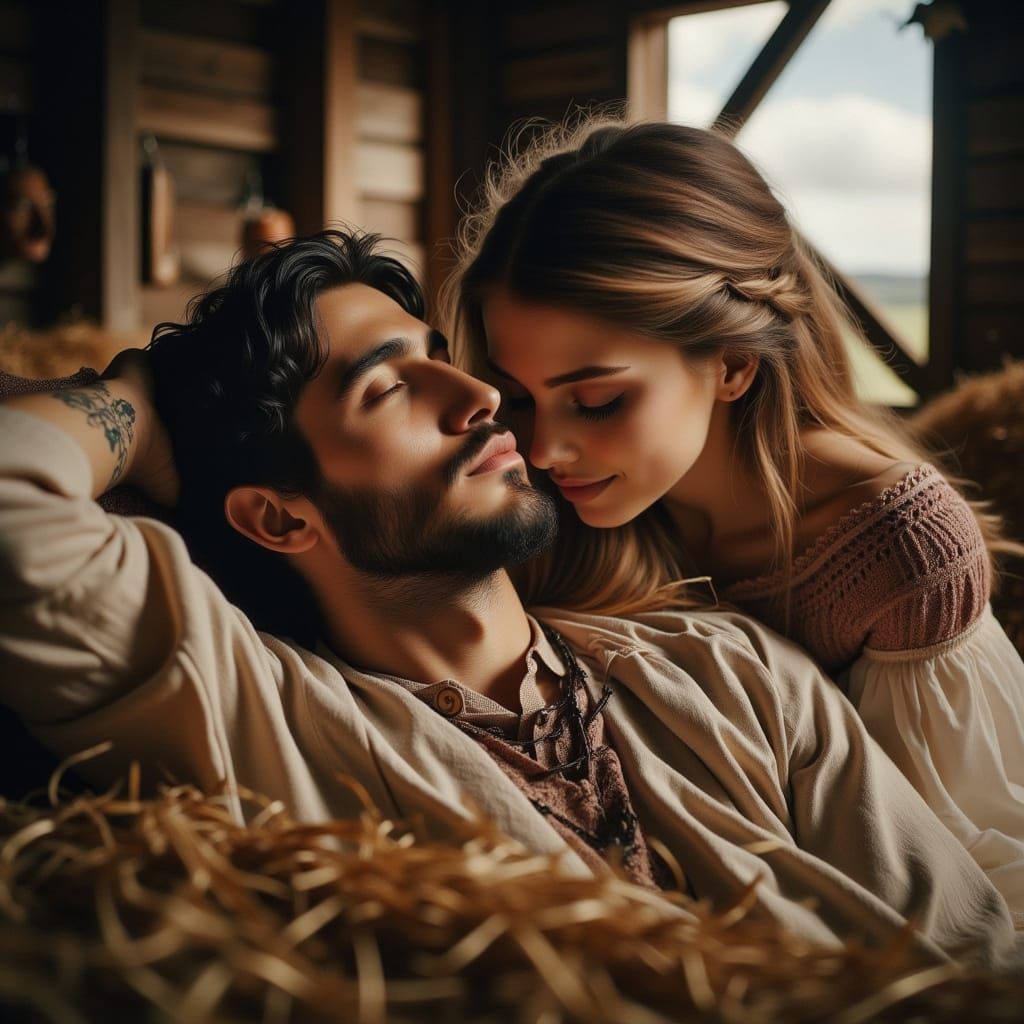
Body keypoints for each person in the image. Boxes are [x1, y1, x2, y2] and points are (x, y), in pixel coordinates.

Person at [0, 231, 1017, 964]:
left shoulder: (733, 667)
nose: (480, 395)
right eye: (391, 387)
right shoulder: (253, 709)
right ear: (278, 519)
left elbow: (975, 953)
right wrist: (139, 387)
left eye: (440, 357)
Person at [445, 118, 1024, 912]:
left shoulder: (899, 549)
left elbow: (969, 868)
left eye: (598, 400)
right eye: (520, 396)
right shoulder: (548, 494)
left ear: (732, 366)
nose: (545, 450)